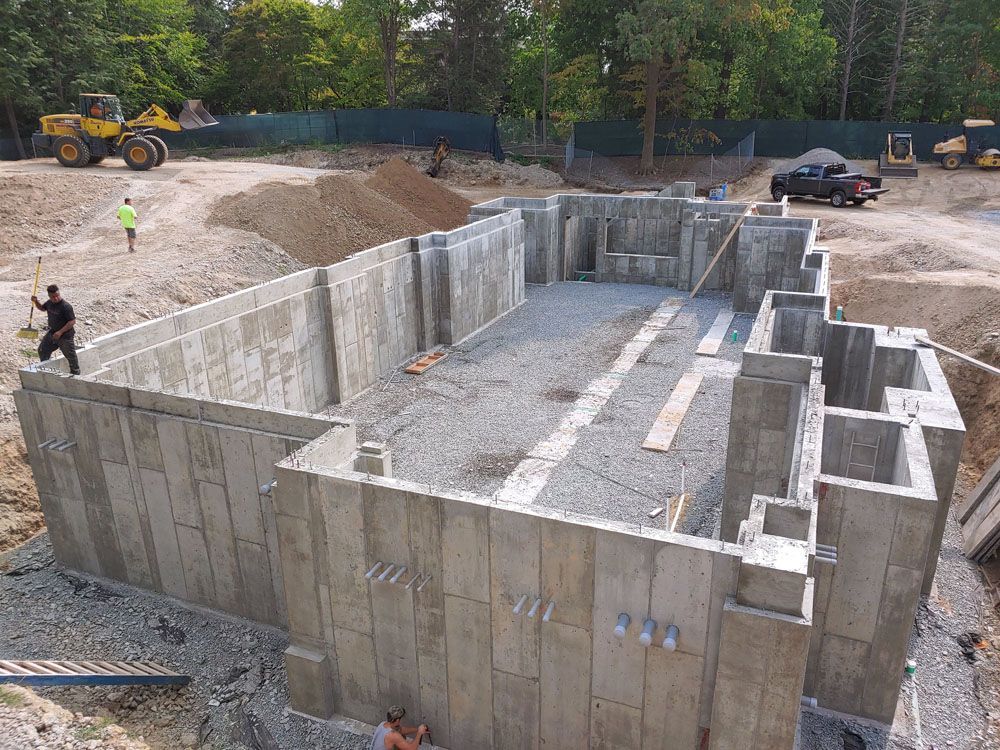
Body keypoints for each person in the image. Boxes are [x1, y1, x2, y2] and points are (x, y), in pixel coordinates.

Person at [32, 284, 79, 375]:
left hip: (65, 336)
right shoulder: (49, 303)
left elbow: (72, 321)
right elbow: (42, 308)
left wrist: (60, 332)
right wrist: (36, 301)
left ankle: (75, 374)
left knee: (70, 356)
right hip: (53, 333)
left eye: (57, 295)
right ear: (49, 296)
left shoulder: (66, 306)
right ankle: (47, 371)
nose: (56, 298)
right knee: (42, 350)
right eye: (53, 297)